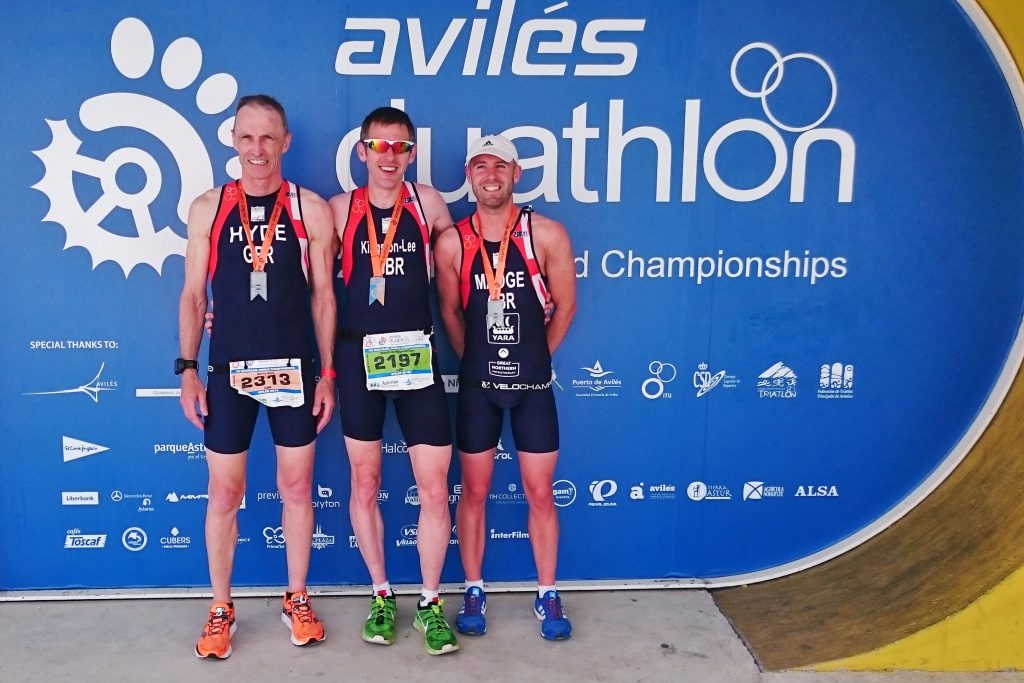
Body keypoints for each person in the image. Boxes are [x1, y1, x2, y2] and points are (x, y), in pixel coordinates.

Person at [177, 94, 337, 659]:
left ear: (286, 142)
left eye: (268, 137)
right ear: (233, 141)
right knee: (224, 492)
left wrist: (328, 373)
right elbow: (195, 294)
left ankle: (296, 596)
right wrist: (189, 369)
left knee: (296, 488)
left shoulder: (310, 209)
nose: (257, 148)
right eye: (247, 137)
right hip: (227, 372)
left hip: (294, 370)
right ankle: (221, 606)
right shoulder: (209, 207)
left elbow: (323, 298)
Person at [435, 135, 577, 640]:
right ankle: (474, 588)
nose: (490, 175)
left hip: (533, 386)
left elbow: (565, 306)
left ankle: (547, 592)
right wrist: (477, 361)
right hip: (479, 389)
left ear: (517, 174)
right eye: (480, 166)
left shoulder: (547, 235)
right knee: (473, 490)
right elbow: (452, 311)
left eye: (500, 166)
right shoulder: (452, 242)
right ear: (469, 176)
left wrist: (534, 357)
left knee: (541, 492)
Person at [328, 106, 459, 655]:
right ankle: (382, 594)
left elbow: (462, 270)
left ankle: (430, 602)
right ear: (362, 151)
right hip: (358, 358)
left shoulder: (429, 204)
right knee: (364, 482)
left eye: (400, 147)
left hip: (416, 356)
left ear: (411, 152)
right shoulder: (338, 210)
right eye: (378, 147)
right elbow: (306, 284)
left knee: (433, 486)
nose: (389, 157)